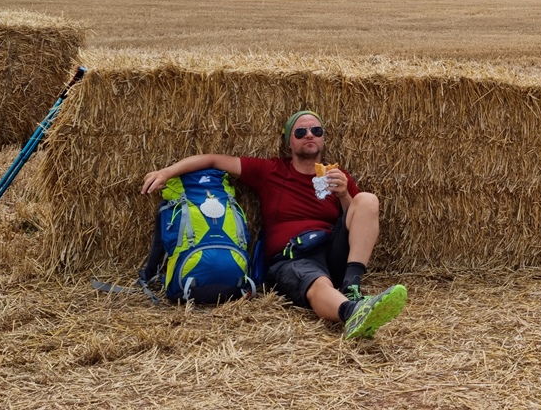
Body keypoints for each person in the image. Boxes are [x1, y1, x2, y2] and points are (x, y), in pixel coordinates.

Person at [141, 110, 407, 339]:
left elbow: (356, 220)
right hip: (292, 257)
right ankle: (352, 312)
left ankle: (352, 285)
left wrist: (344, 196)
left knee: (367, 200)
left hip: (331, 250)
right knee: (317, 283)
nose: (309, 135)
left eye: (316, 130)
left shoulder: (336, 176)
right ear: (289, 142)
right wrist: (167, 172)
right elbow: (211, 159)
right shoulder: (270, 171)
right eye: (300, 132)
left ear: (323, 137)